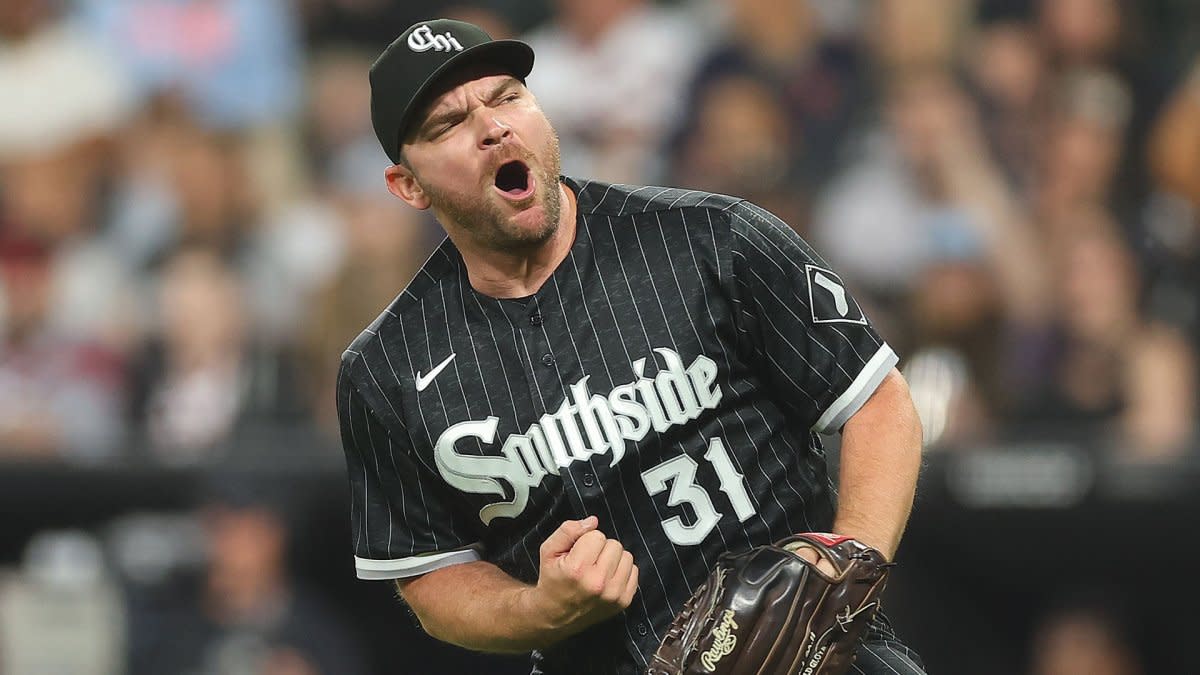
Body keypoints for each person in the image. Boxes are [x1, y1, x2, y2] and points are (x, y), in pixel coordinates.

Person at [336, 19, 926, 675]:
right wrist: (540, 608)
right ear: (407, 185)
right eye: (449, 124)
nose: (493, 127)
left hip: (811, 656)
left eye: (506, 96)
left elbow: (877, 401)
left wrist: (838, 566)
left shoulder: (711, 239)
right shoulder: (385, 368)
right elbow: (430, 574)